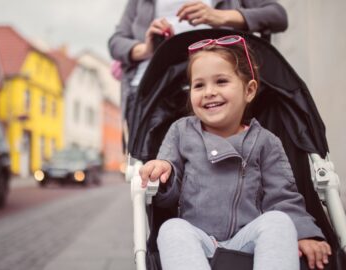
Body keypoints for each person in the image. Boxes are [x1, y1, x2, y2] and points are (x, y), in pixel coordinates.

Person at [139, 35, 331, 270]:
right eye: (199, 85)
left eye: (221, 81)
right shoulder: (181, 132)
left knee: (278, 222)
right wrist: (163, 171)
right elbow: (168, 194)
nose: (209, 92)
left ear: (249, 90)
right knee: (171, 229)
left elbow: (282, 197)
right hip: (199, 240)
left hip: (247, 240)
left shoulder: (266, 141)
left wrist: (304, 233)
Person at [108, 0, 288, 118]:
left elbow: (277, 16)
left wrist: (220, 17)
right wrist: (147, 49)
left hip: (216, 82)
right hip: (151, 90)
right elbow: (116, 41)